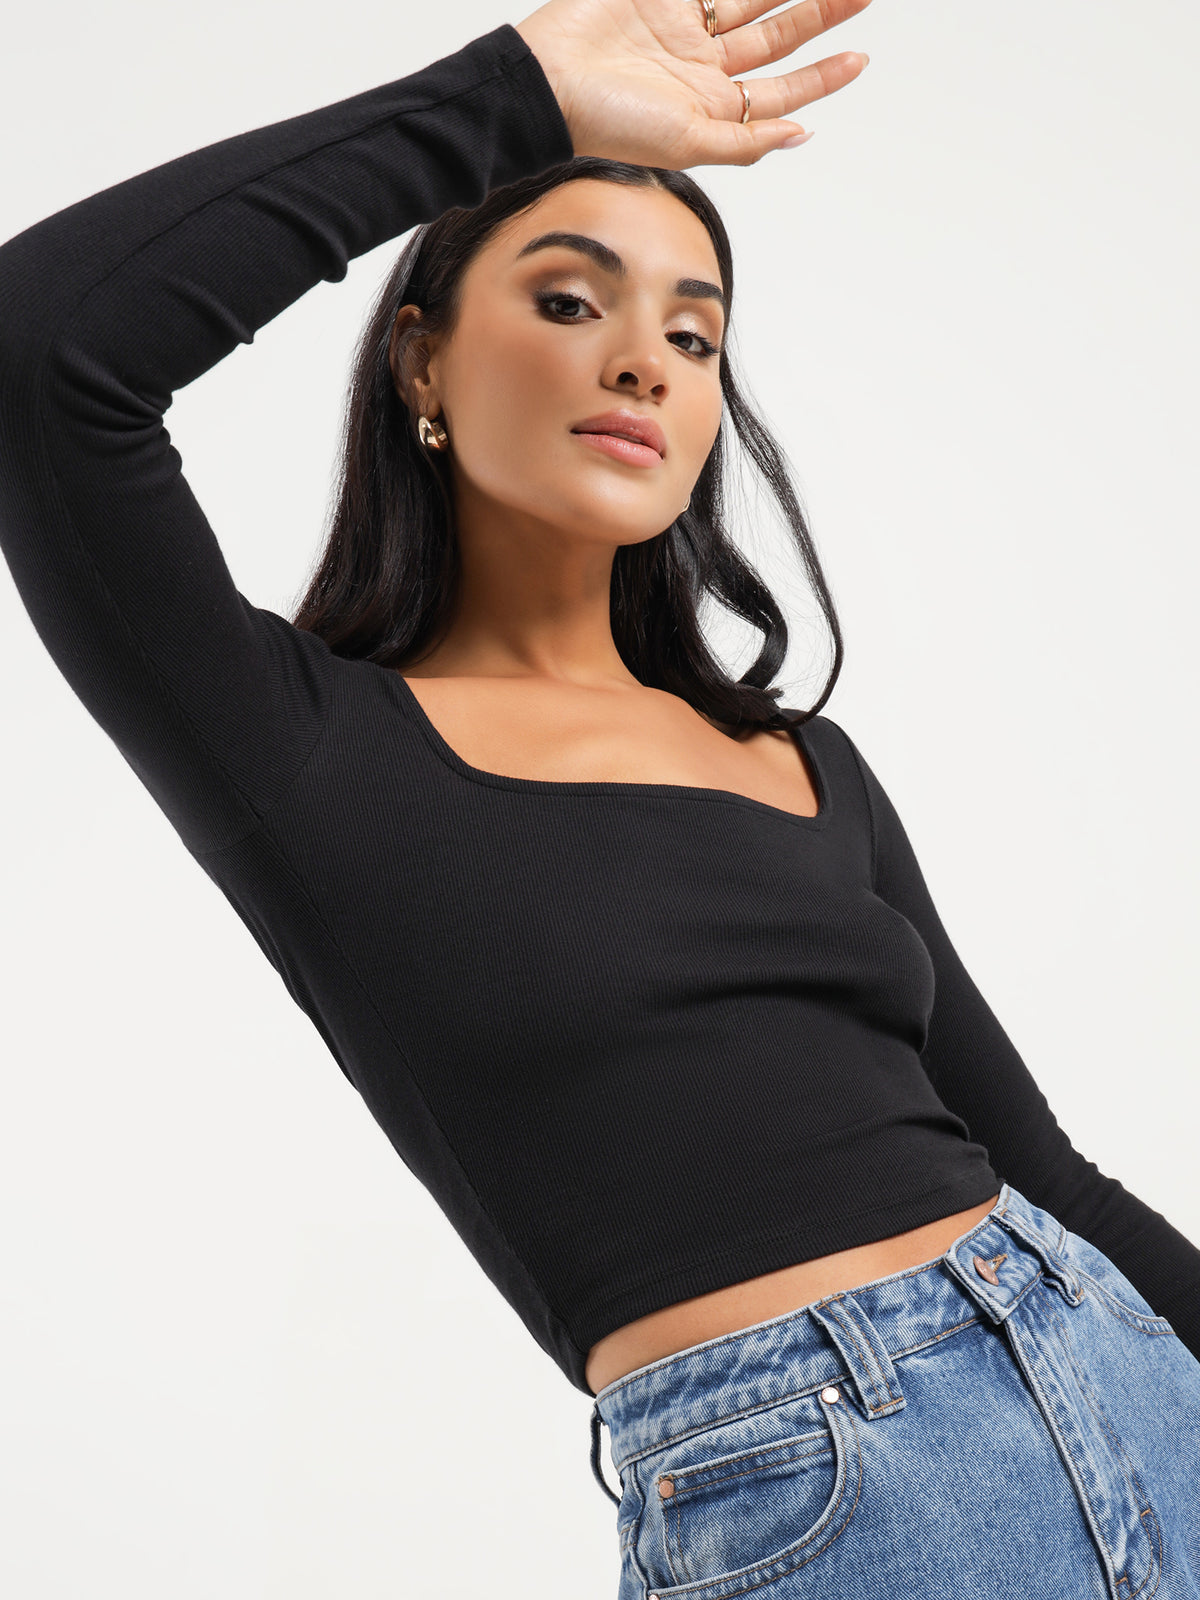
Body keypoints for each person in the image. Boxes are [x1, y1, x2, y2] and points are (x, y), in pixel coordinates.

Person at [1, 0, 1198, 1591]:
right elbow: (44, 354)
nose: (644, 356)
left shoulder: (803, 765)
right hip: (838, 1495)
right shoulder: (302, 748)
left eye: (695, 337)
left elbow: (1046, 1171)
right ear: (421, 360)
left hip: (1133, 1381)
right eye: (570, 299)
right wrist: (512, 101)